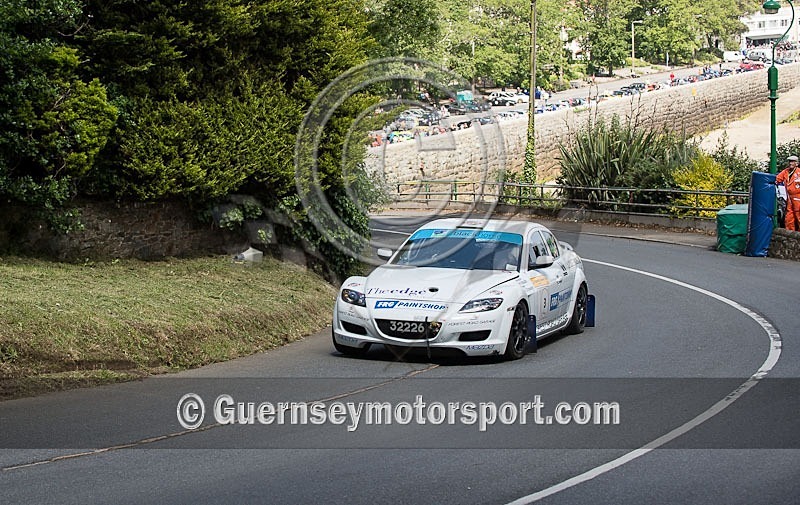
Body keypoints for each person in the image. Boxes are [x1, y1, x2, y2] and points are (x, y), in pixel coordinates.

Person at [777, 155, 800, 231]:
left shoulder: (799, 172)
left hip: (798, 197)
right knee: (789, 217)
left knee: (798, 215)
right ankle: (790, 235)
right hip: (789, 198)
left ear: (797, 163)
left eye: (792, 161)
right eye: (790, 161)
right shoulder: (785, 172)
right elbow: (777, 179)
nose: (790, 163)